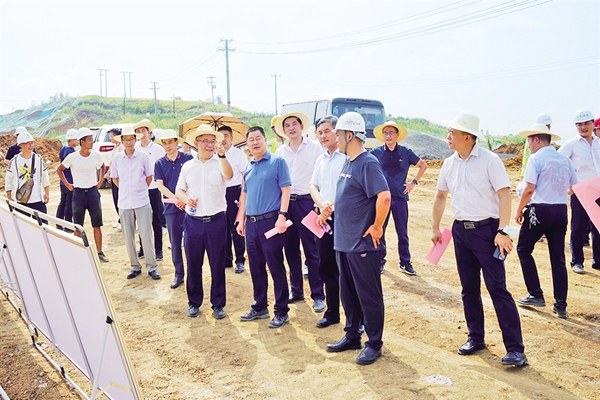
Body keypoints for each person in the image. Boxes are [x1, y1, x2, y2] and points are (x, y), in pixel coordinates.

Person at [431, 111, 526, 366]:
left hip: (488, 232)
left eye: (452, 133)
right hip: (460, 231)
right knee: (469, 288)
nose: (448, 136)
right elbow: (440, 196)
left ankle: (515, 349)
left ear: (467, 137)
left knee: (497, 289)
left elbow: (504, 195)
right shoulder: (449, 164)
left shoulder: (490, 161)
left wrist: (503, 231)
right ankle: (476, 338)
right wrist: (435, 227)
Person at [325, 112, 390, 366]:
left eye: (338, 134)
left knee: (368, 295)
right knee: (349, 293)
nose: (335, 139)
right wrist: (331, 207)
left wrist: (377, 226)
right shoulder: (348, 161)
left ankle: (374, 343)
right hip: (344, 242)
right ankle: (352, 334)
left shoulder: (367, 163)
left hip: (362, 244)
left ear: (349, 134)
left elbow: (384, 196)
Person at [513, 124, 577, 319]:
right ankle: (561, 304)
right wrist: (558, 194)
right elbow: (574, 187)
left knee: (523, 249)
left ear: (536, 140)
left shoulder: (536, 159)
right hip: (560, 210)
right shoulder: (564, 159)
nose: (529, 146)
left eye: (529, 142)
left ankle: (535, 293)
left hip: (539, 210)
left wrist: (519, 209)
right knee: (558, 258)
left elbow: (529, 189)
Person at [236, 126, 292, 329]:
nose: (255, 142)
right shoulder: (249, 167)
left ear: (265, 140)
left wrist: (282, 216)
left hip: (271, 222)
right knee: (256, 267)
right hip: (251, 224)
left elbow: (286, 190)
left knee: (276, 266)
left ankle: (281, 311)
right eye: (251, 139)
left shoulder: (278, 162)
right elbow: (245, 194)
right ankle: (260, 306)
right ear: (247, 144)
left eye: (258, 138)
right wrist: (241, 219)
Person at [176, 124, 233, 319]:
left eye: (212, 141)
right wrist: (186, 199)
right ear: (196, 143)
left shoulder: (220, 162)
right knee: (193, 263)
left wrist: (222, 155)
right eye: (205, 141)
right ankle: (194, 302)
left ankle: (218, 304)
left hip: (216, 221)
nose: (209, 145)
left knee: (217, 264)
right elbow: (179, 190)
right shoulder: (188, 166)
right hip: (193, 222)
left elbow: (229, 175)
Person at [275, 112, 325, 312]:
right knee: (290, 250)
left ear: (301, 126)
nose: (291, 128)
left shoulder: (315, 148)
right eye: (287, 125)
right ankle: (296, 291)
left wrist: (319, 203)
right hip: (287, 205)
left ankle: (318, 295)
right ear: (283, 130)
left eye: (294, 124)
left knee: (312, 251)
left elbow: (321, 176)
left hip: (307, 203)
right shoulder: (280, 152)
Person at [371, 121, 427, 275]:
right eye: (385, 133)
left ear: (397, 135)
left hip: (400, 199)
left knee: (402, 232)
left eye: (391, 132)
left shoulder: (406, 152)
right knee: (380, 229)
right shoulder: (375, 153)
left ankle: (405, 262)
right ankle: (379, 261)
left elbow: (423, 165)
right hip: (382, 199)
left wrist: (413, 182)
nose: (388, 136)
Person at [309, 115, 346, 328]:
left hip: (343, 220)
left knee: (347, 270)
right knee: (325, 267)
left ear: (337, 132)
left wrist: (329, 206)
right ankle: (332, 313)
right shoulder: (320, 160)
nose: (323, 136)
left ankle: (356, 318)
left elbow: (347, 189)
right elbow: (313, 186)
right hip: (323, 221)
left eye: (327, 131)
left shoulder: (347, 158)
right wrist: (322, 205)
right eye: (320, 132)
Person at [110, 125, 159, 280]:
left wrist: (139, 188)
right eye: (126, 139)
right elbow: (115, 178)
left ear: (135, 140)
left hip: (142, 200)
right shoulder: (117, 158)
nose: (129, 142)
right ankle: (135, 266)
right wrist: (126, 189)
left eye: (131, 139)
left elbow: (149, 176)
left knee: (146, 234)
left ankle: (152, 266)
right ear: (122, 141)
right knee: (128, 237)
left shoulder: (143, 157)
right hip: (124, 202)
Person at [57, 127, 108, 262]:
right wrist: (68, 185)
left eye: (92, 139)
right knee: (78, 226)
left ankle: (99, 252)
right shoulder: (72, 157)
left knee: (97, 224)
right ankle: (78, 253)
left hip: (92, 192)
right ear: (82, 142)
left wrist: (100, 181)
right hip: (78, 193)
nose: (92, 142)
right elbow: (59, 169)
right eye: (90, 140)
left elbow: (102, 166)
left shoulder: (95, 155)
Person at [558, 110, 600, 274]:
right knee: (578, 227)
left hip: (598, 191)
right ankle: (577, 262)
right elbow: (558, 162)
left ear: (592, 124)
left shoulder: (598, 143)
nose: (583, 127)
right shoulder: (571, 144)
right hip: (581, 192)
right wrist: (568, 185)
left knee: (597, 226)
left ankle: (598, 261)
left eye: (586, 123)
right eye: (579, 125)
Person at [154, 129, 193, 289]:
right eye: (164, 143)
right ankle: (179, 274)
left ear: (177, 142)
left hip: (189, 207)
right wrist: (177, 199)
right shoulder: (159, 163)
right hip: (171, 208)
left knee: (191, 242)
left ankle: (193, 274)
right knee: (175, 243)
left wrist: (184, 199)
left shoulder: (188, 158)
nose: (167, 145)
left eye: (170, 142)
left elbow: (193, 180)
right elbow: (160, 185)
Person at [133, 118, 166, 261]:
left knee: (156, 220)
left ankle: (158, 250)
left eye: (143, 131)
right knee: (142, 221)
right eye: (138, 131)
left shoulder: (158, 149)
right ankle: (143, 249)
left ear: (149, 133)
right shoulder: (135, 148)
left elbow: (163, 167)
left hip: (154, 188)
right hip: (139, 189)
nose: (141, 134)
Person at [218, 125, 248, 274]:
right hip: (219, 194)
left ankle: (240, 260)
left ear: (231, 137)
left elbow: (245, 176)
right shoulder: (214, 154)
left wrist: (243, 196)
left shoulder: (238, 154)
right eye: (220, 136)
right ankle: (227, 259)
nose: (223, 139)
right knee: (222, 228)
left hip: (234, 193)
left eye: (225, 135)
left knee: (236, 227)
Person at [5, 130, 50, 216]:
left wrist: (47, 193)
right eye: (27, 143)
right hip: (21, 201)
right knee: (23, 224)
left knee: (42, 224)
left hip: (38, 200)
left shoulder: (38, 159)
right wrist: (9, 197)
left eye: (32, 142)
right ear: (20, 145)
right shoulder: (14, 161)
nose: (31, 145)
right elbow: (8, 179)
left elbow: (45, 176)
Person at [55, 128, 78, 229]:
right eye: (76, 139)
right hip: (70, 182)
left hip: (63, 181)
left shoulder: (63, 148)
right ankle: (68, 225)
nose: (78, 141)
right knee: (69, 204)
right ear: (71, 140)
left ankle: (59, 223)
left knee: (63, 202)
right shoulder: (71, 152)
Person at [106, 127, 124, 231]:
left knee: (120, 198)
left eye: (111, 136)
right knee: (116, 198)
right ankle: (120, 219)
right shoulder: (116, 147)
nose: (110, 138)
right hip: (114, 176)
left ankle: (123, 221)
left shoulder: (122, 147)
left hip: (119, 177)